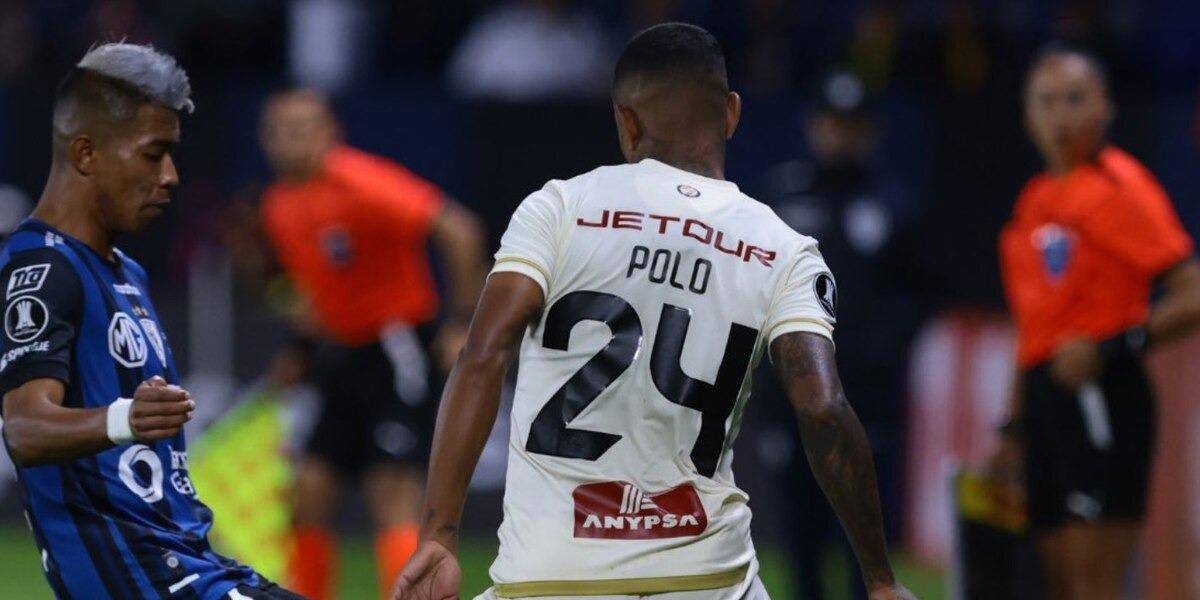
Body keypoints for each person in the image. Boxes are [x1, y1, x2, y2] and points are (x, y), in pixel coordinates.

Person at [394, 23, 914, 600]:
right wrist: (879, 578)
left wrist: (439, 535)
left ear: (626, 121)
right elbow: (822, 407)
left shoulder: (559, 208)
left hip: (551, 575)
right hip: (708, 577)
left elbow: (483, 354)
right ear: (732, 114)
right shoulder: (783, 248)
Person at [0, 43, 303, 600]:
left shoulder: (127, 273)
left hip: (191, 567)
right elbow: (24, 428)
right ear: (86, 153)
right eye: (153, 154)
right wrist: (126, 418)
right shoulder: (42, 269)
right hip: (145, 581)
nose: (170, 176)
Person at [257, 89, 487, 600]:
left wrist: (461, 324)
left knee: (392, 491)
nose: (291, 140)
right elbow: (320, 290)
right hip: (340, 355)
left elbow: (460, 230)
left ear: (330, 132)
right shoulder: (278, 206)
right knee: (308, 493)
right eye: (280, 130)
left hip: (395, 347)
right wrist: (299, 351)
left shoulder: (362, 181)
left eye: (303, 128)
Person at [996, 44, 1200, 599]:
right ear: (1027, 114)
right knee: (1054, 578)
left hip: (1102, 393)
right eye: (1046, 102)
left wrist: (1111, 347)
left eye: (1074, 100)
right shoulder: (1034, 200)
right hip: (1045, 399)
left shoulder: (1122, 188)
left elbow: (1192, 293)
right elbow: (1031, 327)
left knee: (1094, 582)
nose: (1060, 117)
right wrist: (1012, 427)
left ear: (1105, 107)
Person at [759, 71, 924, 600]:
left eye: (852, 125)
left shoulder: (894, 204)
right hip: (791, 401)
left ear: (870, 131)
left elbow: (918, 297)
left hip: (867, 402)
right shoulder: (780, 197)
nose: (841, 136)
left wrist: (879, 353)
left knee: (865, 547)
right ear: (813, 125)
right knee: (801, 546)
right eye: (833, 123)